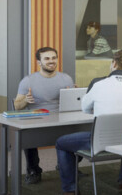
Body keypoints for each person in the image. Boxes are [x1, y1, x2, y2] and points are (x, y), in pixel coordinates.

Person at [54, 50, 122, 195]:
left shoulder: (99, 84)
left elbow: (85, 108)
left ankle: (70, 191)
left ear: (113, 64)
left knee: (61, 143)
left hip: (101, 142)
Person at [12, 47, 75, 184]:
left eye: (53, 58)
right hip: (37, 119)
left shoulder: (66, 79)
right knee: (27, 135)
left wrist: (74, 95)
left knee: (79, 132)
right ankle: (33, 170)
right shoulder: (28, 81)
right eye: (46, 59)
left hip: (61, 118)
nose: (51, 61)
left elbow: (73, 102)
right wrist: (25, 100)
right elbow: (17, 106)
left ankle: (66, 165)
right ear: (39, 62)